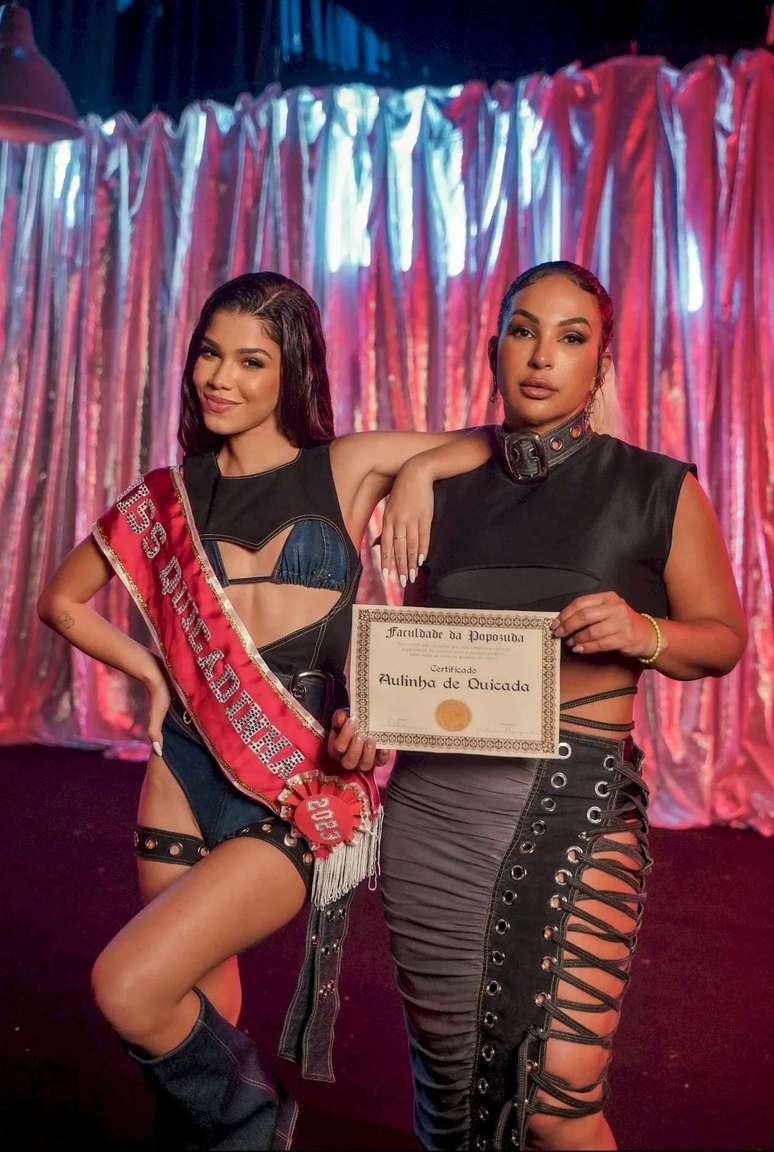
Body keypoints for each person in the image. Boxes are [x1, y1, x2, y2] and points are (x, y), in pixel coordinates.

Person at [37, 271, 488, 1151]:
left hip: (292, 787)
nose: (221, 377)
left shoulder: (345, 467)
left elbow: (490, 443)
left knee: (131, 984)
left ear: (293, 373)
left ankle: (259, 1125)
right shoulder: (167, 495)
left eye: (251, 361)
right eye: (211, 354)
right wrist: (152, 674)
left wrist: (422, 472)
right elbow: (60, 602)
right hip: (180, 777)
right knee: (191, 1021)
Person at [332, 260, 746, 1151]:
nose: (542, 356)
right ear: (494, 348)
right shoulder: (440, 489)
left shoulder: (655, 486)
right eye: (523, 331)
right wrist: (368, 714)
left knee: (558, 1104)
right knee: (453, 1097)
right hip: (434, 809)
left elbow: (723, 639)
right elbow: (418, 661)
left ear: (602, 362)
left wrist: (645, 632)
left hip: (574, 804)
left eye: (571, 337)